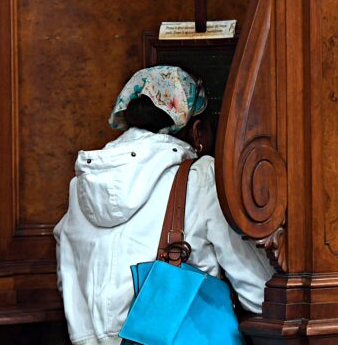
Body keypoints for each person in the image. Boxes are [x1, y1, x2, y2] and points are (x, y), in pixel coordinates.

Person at [54, 66, 274, 345]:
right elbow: (257, 291)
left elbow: (66, 276)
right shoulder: (199, 177)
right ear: (198, 131)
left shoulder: (82, 186)